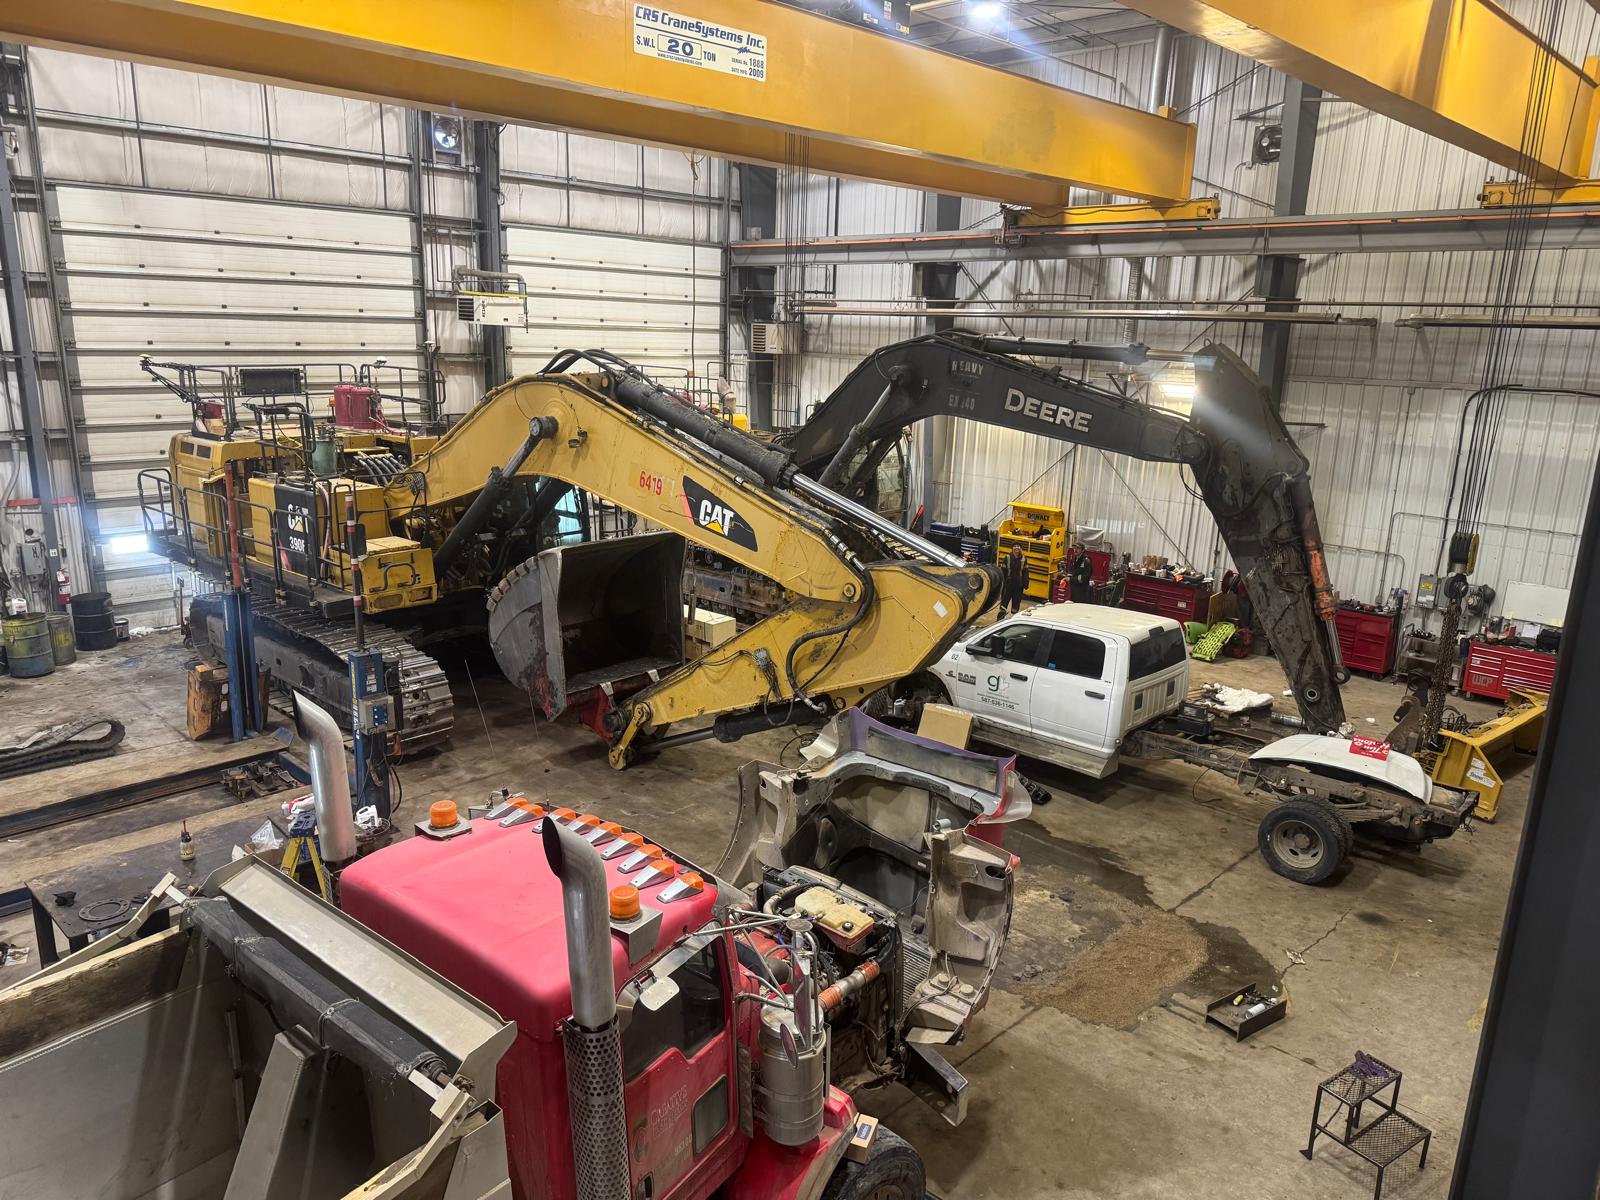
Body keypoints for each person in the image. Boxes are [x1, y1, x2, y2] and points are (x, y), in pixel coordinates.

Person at [1001, 545, 1026, 616]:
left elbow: (1025, 571)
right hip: (1008, 583)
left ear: (1020, 548)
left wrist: (1025, 582)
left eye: (1018, 546)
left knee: (1016, 602)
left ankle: (1013, 619)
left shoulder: (1024, 558)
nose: (1016, 547)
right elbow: (1003, 571)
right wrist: (1002, 582)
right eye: (1015, 546)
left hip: (1018, 584)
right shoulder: (1007, 558)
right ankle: (1000, 618)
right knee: (1004, 601)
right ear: (1012, 548)